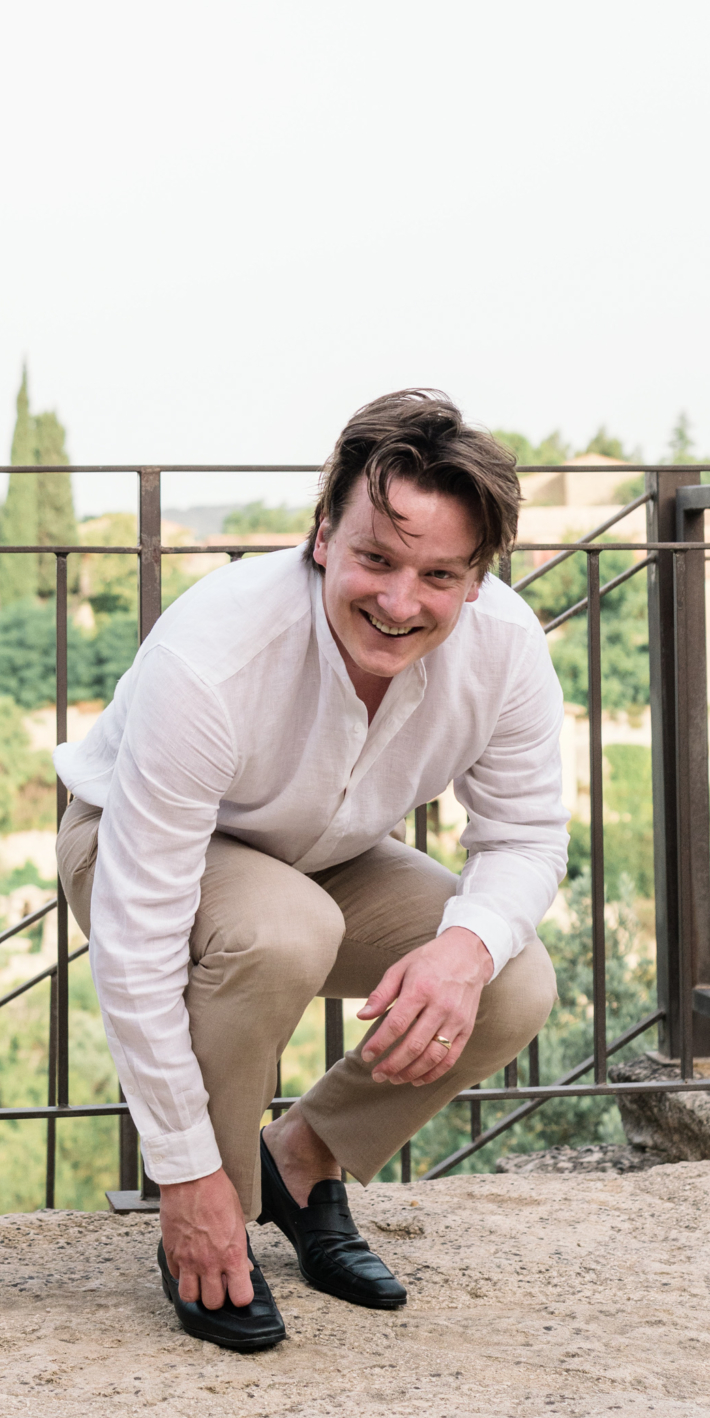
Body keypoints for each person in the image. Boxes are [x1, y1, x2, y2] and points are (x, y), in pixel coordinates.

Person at [54, 389, 567, 1352]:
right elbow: (137, 936)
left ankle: (303, 1158)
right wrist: (183, 1172)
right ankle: (213, 1215)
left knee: (511, 978)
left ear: (478, 577)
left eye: (439, 575)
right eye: (376, 557)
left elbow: (528, 836)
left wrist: (462, 951)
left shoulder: (504, 645)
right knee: (285, 929)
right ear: (324, 534)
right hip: (123, 845)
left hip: (326, 858)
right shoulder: (214, 656)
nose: (400, 602)